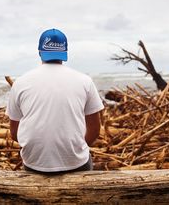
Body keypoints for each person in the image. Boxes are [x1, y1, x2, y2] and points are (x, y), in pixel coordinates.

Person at [6, 28, 104, 173]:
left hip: (34, 164)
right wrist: (74, 149)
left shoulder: (21, 82)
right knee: (86, 160)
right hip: (76, 163)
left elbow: (14, 133)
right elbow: (95, 129)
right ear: (65, 53)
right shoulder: (85, 81)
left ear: (40, 52)